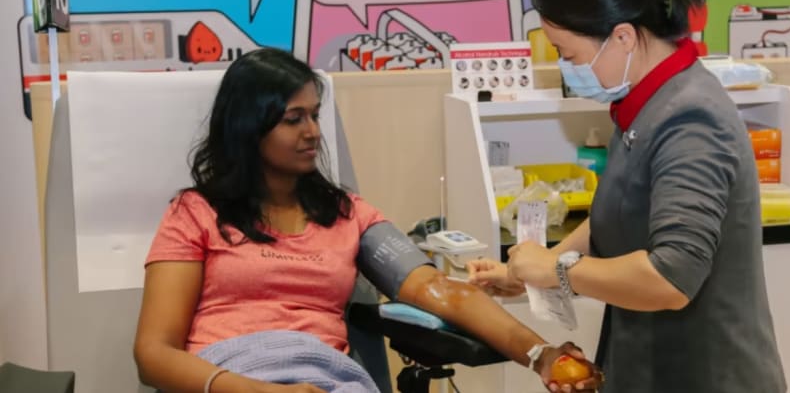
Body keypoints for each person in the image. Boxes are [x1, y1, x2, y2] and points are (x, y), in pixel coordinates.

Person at [133, 48, 601, 393]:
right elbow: (153, 355)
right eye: (293, 119)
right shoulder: (195, 213)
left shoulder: (347, 214)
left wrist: (541, 354)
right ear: (247, 127)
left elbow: (441, 291)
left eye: (315, 115)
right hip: (230, 379)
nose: (313, 132)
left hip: (326, 381)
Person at [467, 0, 786, 393]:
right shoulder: (643, 102)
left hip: (706, 373)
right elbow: (616, 216)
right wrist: (534, 268)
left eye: (567, 53)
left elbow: (670, 276)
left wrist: (556, 272)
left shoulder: (690, 117)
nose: (565, 66)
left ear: (623, 37)